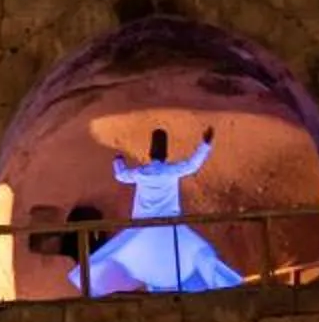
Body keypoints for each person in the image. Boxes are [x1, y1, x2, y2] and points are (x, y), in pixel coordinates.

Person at [88, 125, 246, 294]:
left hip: (143, 229)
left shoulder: (142, 173)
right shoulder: (171, 171)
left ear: (150, 152)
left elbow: (121, 175)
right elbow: (192, 165)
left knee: (139, 260)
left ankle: (146, 289)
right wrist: (205, 145)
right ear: (165, 153)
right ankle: (221, 287)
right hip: (170, 227)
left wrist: (118, 161)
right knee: (198, 254)